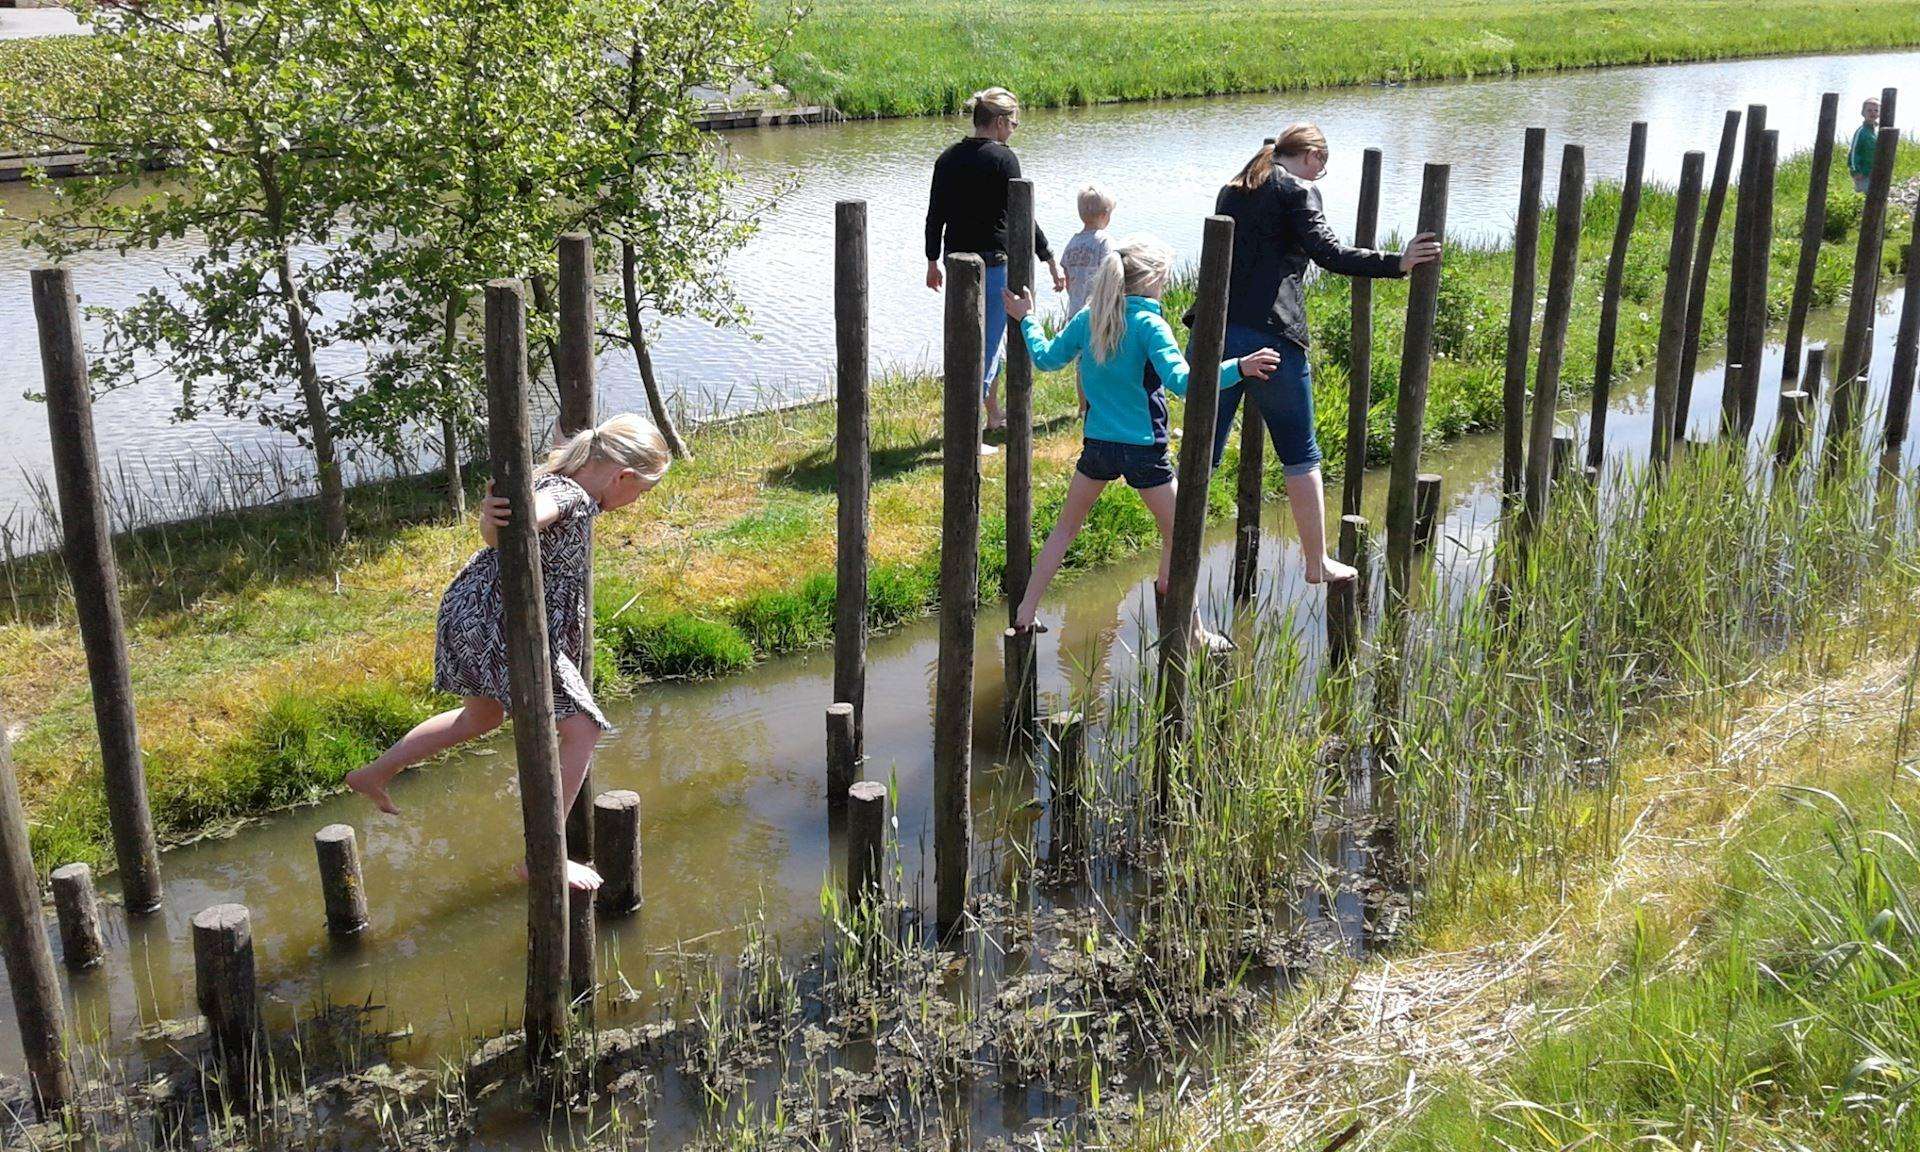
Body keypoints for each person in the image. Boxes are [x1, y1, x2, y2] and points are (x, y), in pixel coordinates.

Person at [346, 414, 672, 891]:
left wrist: (563, 437)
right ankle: (543, 858)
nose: (636, 502)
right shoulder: (570, 494)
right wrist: (495, 520)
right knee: (582, 728)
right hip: (505, 622)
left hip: (473, 607)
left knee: (479, 718)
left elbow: (568, 449)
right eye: (640, 492)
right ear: (622, 476)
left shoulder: (570, 473)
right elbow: (524, 519)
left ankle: (373, 774)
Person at [1003, 236, 1280, 647]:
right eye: (1163, 281)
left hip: (1097, 444)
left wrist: (1027, 318)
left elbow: (1045, 358)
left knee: (1065, 530)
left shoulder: (1089, 317)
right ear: (1149, 281)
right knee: (1184, 532)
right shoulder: (1151, 325)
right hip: (1145, 451)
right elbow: (1186, 383)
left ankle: (1025, 613)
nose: (1165, 288)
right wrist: (1239, 366)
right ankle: (1195, 628)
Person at [1209, 122, 1441, 584]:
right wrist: (1397, 262)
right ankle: (1317, 563)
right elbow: (1329, 254)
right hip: (1272, 339)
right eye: (1323, 168)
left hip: (1215, 334)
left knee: (1201, 456)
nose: (1319, 178)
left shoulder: (1233, 188)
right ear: (1312, 156)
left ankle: (1171, 569)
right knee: (1300, 456)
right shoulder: (1297, 189)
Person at [925, 86, 1067, 451]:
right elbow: (1023, 215)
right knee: (984, 350)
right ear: (1000, 121)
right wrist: (1048, 256)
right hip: (993, 266)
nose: (1014, 129)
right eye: (1014, 122)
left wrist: (931, 262)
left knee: (970, 343)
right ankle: (966, 438)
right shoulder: (1004, 160)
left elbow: (934, 216)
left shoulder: (947, 158)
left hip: (956, 267)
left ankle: (993, 416)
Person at [1059, 184, 1117, 416]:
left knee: (1082, 363)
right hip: (1099, 309)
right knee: (1102, 359)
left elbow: (1066, 275)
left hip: (1076, 310)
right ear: (1105, 216)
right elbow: (1112, 272)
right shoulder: (1105, 242)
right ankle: (1100, 405)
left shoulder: (1073, 242)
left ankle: (1083, 407)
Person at [1849, 96, 1881, 193]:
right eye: (1869, 110)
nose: (1873, 113)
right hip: (1863, 174)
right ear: (1863, 113)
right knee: (1864, 198)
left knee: (1876, 196)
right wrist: (1856, 171)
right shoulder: (1861, 132)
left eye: (1876, 110)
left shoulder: (1876, 131)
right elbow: (1853, 153)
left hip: (1874, 172)